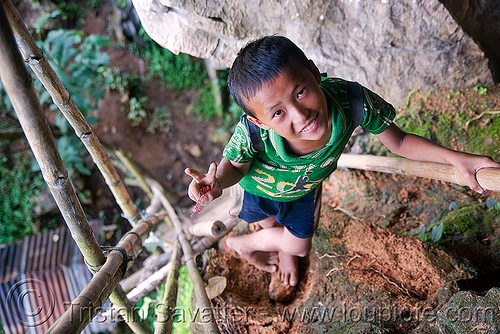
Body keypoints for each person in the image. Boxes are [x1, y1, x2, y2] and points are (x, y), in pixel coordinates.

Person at [185, 35, 500, 288]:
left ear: (313, 71)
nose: (300, 114)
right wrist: (216, 185)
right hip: (258, 190)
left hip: (303, 191)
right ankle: (271, 243)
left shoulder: (353, 101)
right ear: (260, 122)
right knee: (269, 222)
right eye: (278, 112)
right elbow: (234, 168)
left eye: (300, 92)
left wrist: (456, 158)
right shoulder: (251, 133)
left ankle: (243, 244)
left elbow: (400, 141)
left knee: (299, 247)